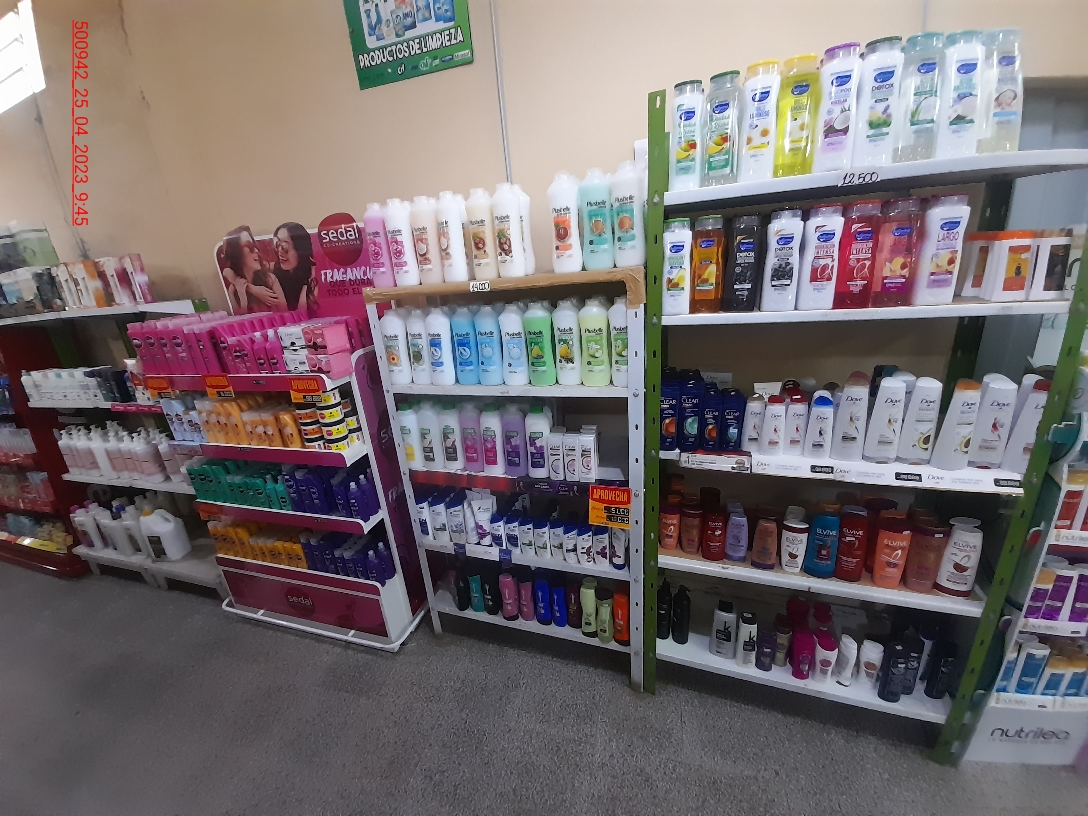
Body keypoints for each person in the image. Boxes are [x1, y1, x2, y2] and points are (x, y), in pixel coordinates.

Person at [221, 225, 288, 313]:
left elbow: (285, 313)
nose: (256, 250)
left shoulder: (269, 279)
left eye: (255, 245)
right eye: (250, 247)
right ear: (237, 253)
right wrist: (244, 301)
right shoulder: (233, 289)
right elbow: (241, 320)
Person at [272, 222, 317, 313]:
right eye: (277, 244)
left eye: (284, 246)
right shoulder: (273, 272)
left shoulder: (313, 276)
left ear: (300, 249)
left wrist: (305, 290)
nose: (280, 251)